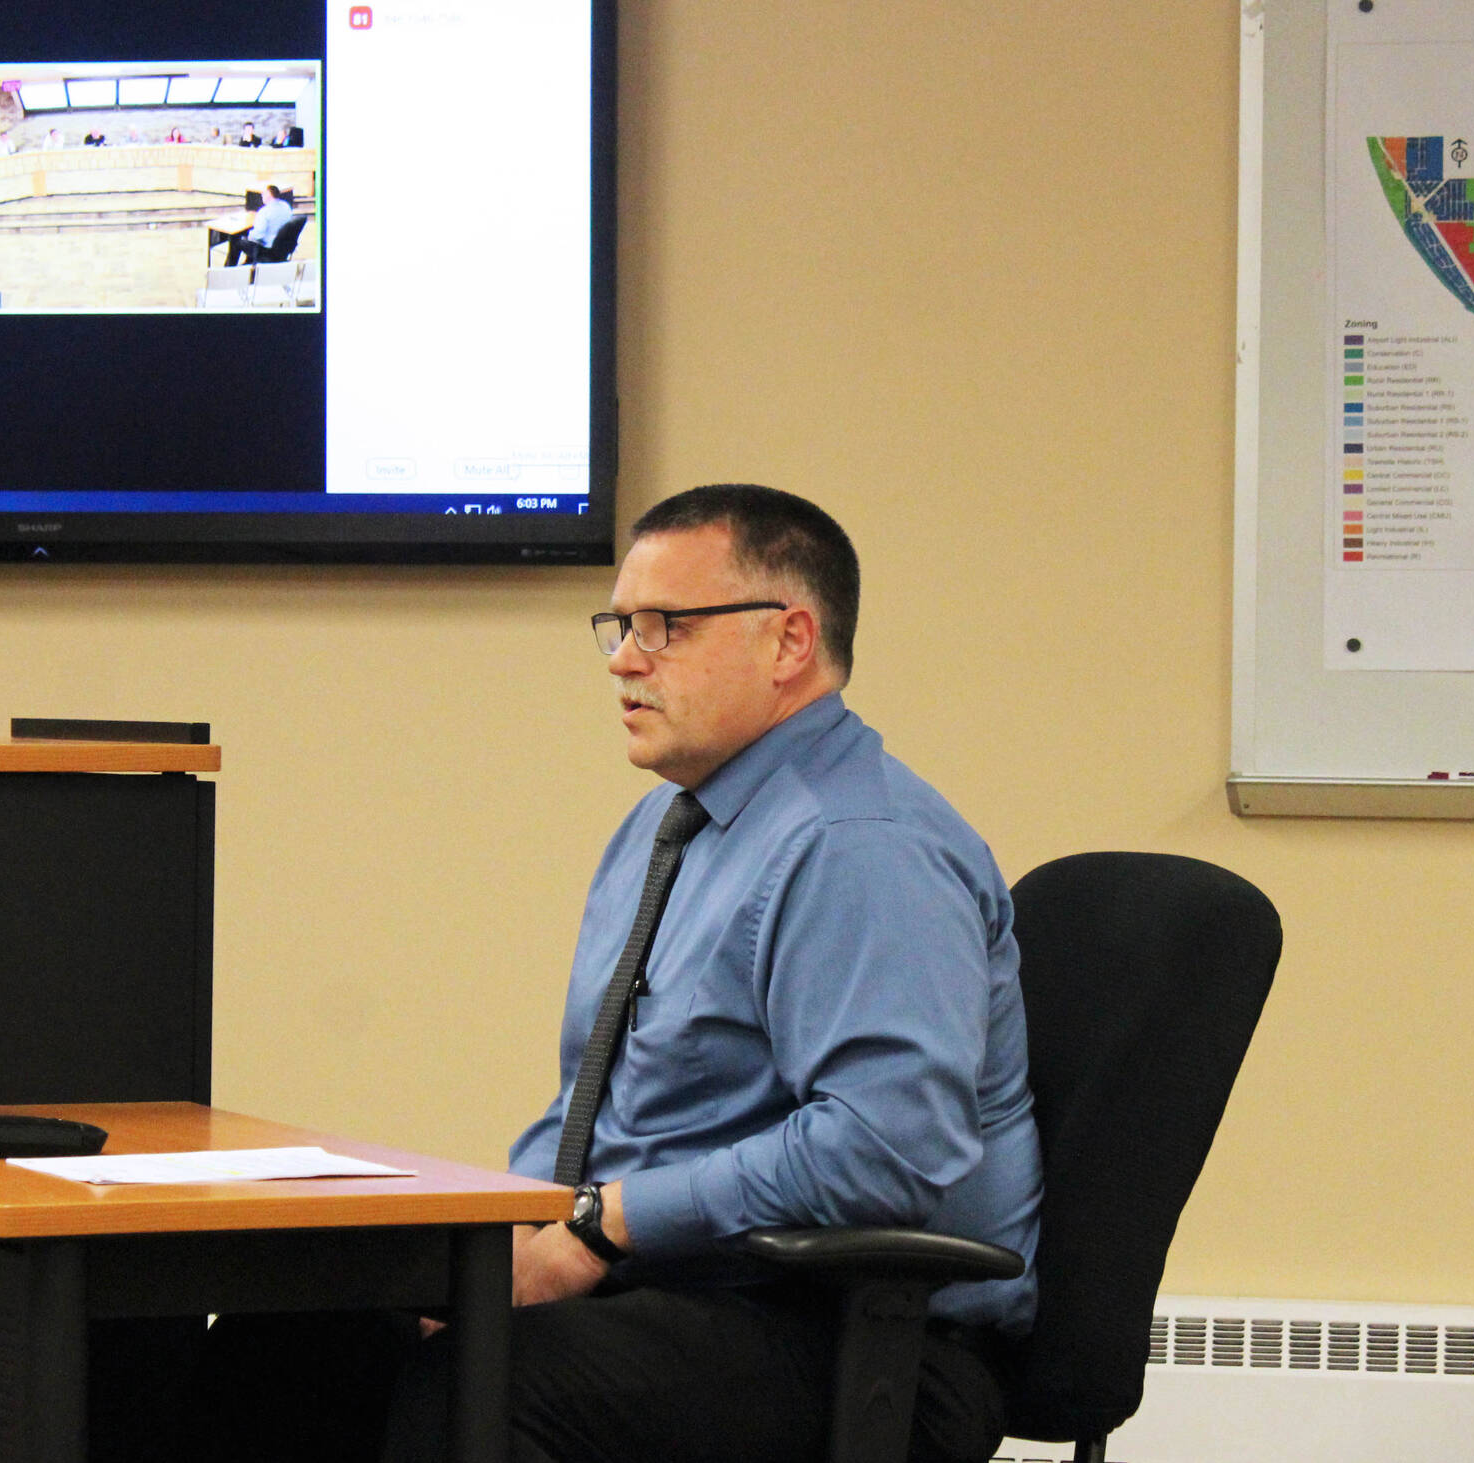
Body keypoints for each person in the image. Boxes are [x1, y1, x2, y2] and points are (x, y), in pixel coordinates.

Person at [182, 485, 1042, 1463]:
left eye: (664, 627)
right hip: (678, 1291)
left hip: (860, 1336)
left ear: (789, 641)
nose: (624, 659)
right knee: (289, 1347)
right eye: (620, 626)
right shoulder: (668, 824)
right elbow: (601, 1106)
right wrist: (499, 1241)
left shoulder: (855, 846)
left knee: (477, 1390)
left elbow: (886, 1147)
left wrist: (600, 1224)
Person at [217, 183, 294, 267]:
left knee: (236, 241)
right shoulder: (286, 206)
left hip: (267, 248)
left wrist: (247, 236)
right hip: (281, 246)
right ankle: (248, 262)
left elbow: (257, 236)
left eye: (263, 194)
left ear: (269, 196)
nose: (261, 196)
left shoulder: (264, 211)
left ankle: (229, 268)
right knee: (247, 237)